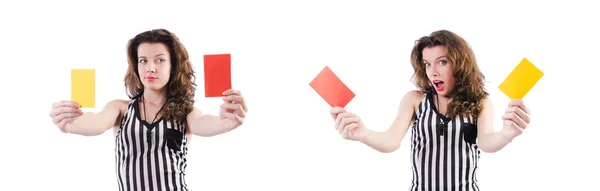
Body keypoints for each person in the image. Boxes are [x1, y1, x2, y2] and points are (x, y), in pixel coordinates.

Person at [330, 30, 531, 190]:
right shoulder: (414, 100)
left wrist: (507, 134)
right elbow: (390, 141)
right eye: (427, 64)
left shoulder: (480, 101)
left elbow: (486, 142)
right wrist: (363, 134)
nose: (432, 71)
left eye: (442, 62)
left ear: (460, 64)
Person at [48, 29, 248, 191]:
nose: (150, 68)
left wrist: (224, 122)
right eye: (143, 60)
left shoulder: (186, 112)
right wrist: (70, 123)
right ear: (136, 66)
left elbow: (204, 124)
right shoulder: (120, 109)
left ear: (173, 66)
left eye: (160, 60)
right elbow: (97, 123)